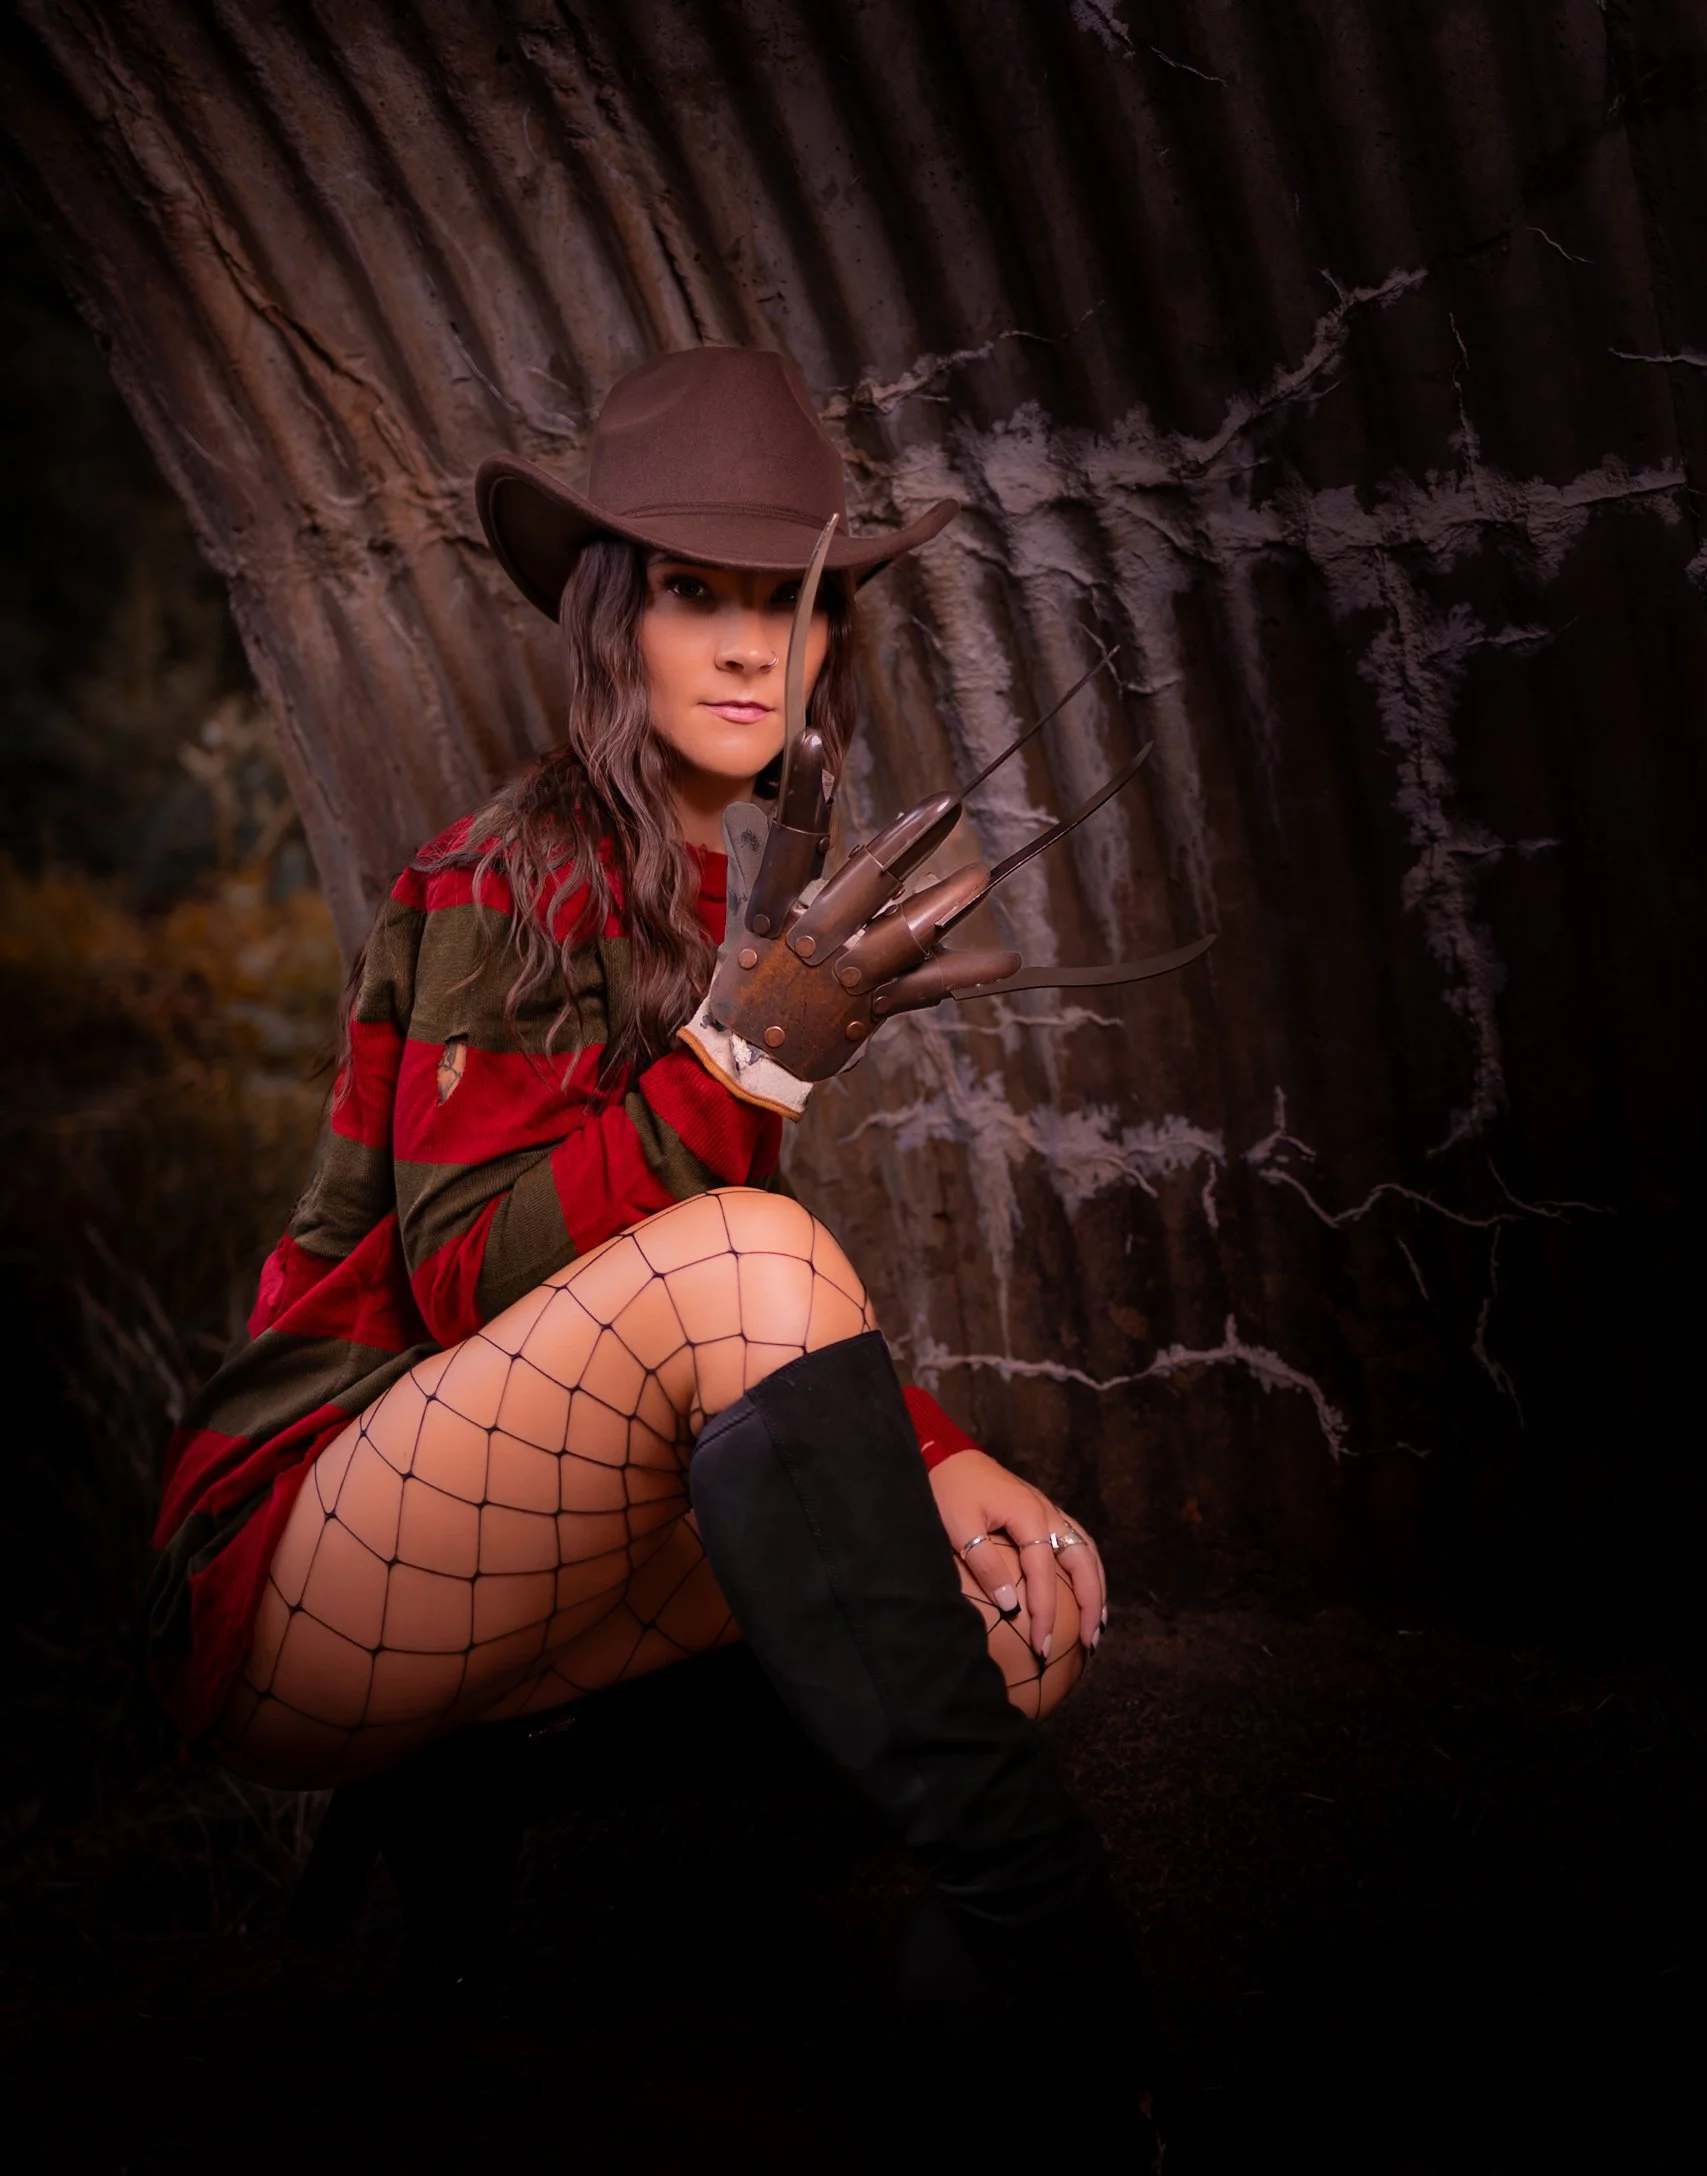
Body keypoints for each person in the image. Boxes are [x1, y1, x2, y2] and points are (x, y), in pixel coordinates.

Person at [147, 346, 1163, 2141]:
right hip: (309, 1554)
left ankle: (479, 1784)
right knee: (755, 1249)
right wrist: (736, 1064)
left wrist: (938, 1458)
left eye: (793, 603)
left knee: (1022, 1623)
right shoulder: (502, 874)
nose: (752, 644)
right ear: (614, 621)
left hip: (512, 1565)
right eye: (698, 593)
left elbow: (700, 1280)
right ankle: (1046, 1947)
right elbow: (480, 1282)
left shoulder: (724, 898)